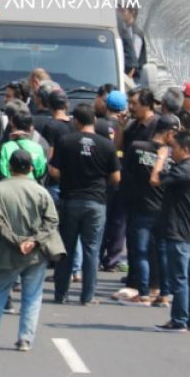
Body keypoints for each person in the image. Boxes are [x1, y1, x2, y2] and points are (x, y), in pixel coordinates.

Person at [0, 149, 63, 351]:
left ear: (9, 167)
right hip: (36, 254)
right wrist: (34, 241)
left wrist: (16, 241)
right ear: (31, 168)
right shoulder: (41, 191)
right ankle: (25, 339)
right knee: (32, 296)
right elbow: (52, 220)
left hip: (7, 252)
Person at [49, 103, 119, 305]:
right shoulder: (106, 145)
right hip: (96, 202)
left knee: (66, 249)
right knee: (92, 250)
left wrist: (68, 176)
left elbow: (54, 171)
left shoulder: (66, 141)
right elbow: (116, 176)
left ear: (76, 121)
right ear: (94, 121)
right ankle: (87, 296)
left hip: (70, 200)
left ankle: (61, 294)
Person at [153, 129, 190, 332]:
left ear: (185, 149)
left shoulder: (184, 170)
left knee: (180, 277)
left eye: (174, 147)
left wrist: (160, 158)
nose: (171, 151)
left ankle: (179, 320)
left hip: (180, 233)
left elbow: (155, 180)